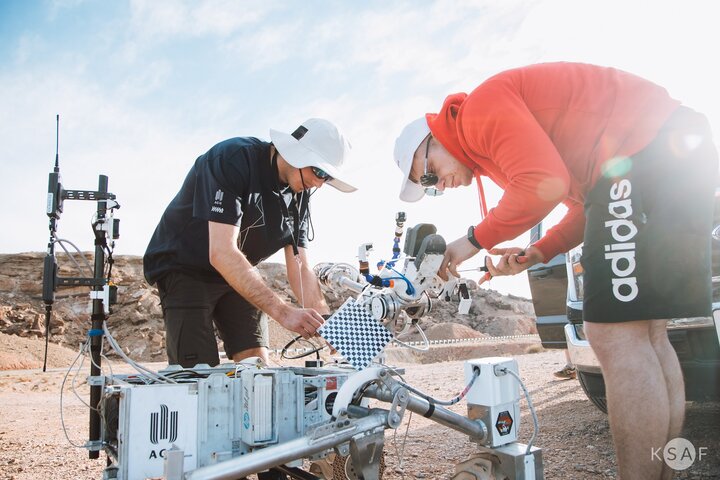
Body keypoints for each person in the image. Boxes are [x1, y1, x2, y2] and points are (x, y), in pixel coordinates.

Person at [393, 62, 717, 480]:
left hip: (643, 152)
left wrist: (471, 240)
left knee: (614, 334)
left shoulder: (475, 114)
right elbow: (584, 203)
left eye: (430, 175)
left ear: (432, 138)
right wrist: (538, 250)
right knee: (648, 334)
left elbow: (541, 180)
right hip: (669, 151)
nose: (440, 186)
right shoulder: (495, 135)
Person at [144, 118, 356, 368]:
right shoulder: (232, 159)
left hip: (237, 274)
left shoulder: (300, 193)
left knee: (256, 366)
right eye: (319, 171)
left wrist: (331, 326)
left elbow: (300, 267)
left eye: (327, 177)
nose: (319, 182)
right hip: (185, 268)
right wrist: (284, 313)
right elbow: (221, 252)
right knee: (198, 374)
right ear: (296, 153)